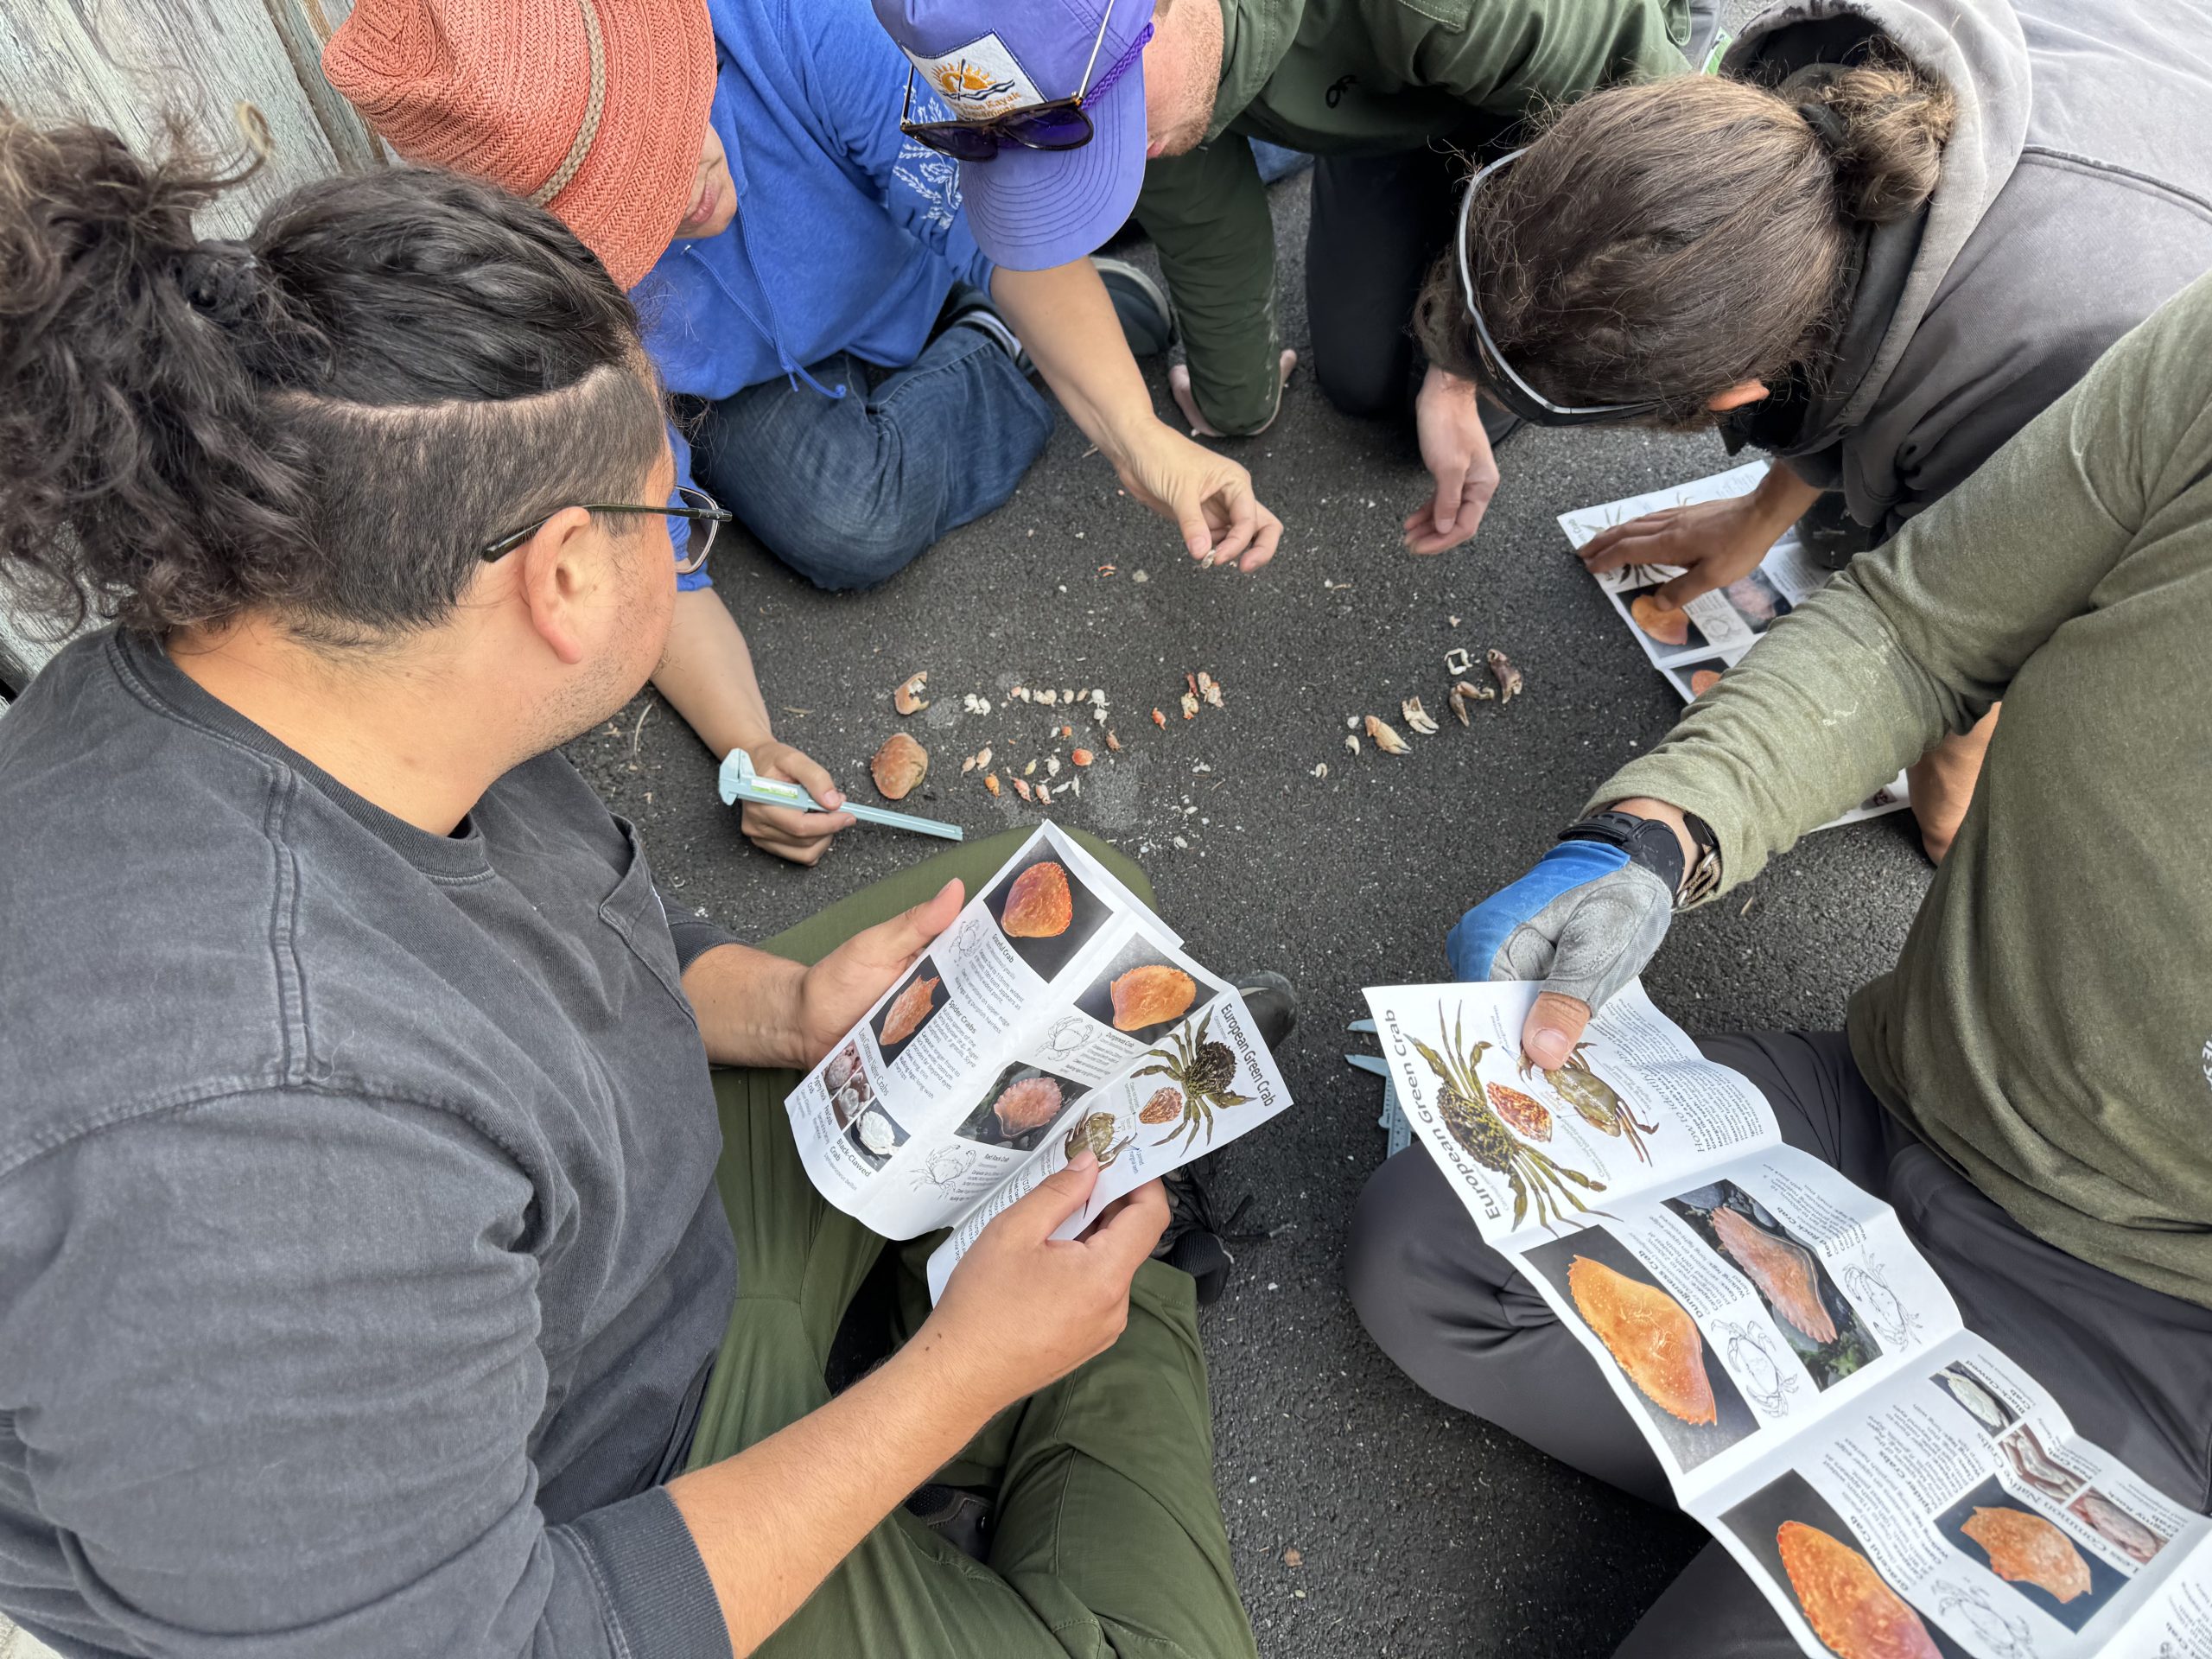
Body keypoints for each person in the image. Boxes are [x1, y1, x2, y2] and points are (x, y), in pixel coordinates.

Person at [0, 117, 1281, 1659]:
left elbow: (553, 935)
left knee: (1076, 912)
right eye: (675, 517)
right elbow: (524, 1637)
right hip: (589, 1486)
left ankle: (1000, 1297)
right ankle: (1047, 1324)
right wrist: (961, 1373)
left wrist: (786, 1005)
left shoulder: (311, 658)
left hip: (619, 1250)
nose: (685, 545)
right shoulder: (246, 1174)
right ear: (561, 575)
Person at [1347, 269, 2212, 1654]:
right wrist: (1652, 837)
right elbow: (1922, 626)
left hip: (2153, 1326)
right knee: (1425, 1259)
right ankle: (1842, 1485)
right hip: (1892, 1099)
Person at [326, 0, 1282, 868]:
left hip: (928, 249)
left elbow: (1001, 242)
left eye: (669, 138)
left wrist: (1137, 435)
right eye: (626, 214)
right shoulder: (542, 314)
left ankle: (1099, 279)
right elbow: (651, 556)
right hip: (748, 380)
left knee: (1136, 141)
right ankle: (1007, 353)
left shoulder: (809, 26)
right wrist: (749, 745)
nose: (680, 201)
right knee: (845, 522)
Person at [1414, 0, 2212, 858]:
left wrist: (1949, 807)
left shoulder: (2034, 389)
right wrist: (1760, 514)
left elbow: (1971, 630)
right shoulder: (1768, 129)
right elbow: (1857, 319)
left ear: (1734, 394)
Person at [1100, 0, 1710, 556]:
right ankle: (1380, 129)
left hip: (1594, 87)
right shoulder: (1108, 87)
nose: (1110, 131)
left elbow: (1638, 156)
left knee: (1481, 394)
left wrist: (1463, 370)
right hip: (1386, 93)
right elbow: (1204, 220)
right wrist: (1235, 397)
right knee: (1359, 383)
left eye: (1113, 94)